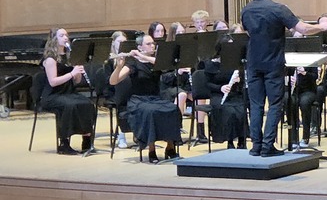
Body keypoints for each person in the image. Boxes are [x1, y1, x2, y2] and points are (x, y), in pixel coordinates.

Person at [240, 0, 327, 157]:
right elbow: (303, 29)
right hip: (273, 63)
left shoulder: (246, 10)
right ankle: (267, 146)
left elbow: (246, 31)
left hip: (253, 63)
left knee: (256, 105)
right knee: (275, 104)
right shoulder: (278, 9)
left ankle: (256, 146)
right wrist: (323, 26)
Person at [109, 34, 183, 163]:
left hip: (155, 98)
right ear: (140, 47)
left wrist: (143, 56)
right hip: (138, 100)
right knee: (150, 112)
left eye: (153, 43)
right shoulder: (133, 63)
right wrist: (119, 66)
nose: (152, 46)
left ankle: (170, 147)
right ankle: (151, 149)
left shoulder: (156, 60)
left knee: (173, 109)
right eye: (149, 44)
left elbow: (166, 66)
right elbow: (113, 81)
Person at [39, 28, 94, 155]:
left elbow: (76, 81)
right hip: (52, 95)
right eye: (61, 35)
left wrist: (78, 72)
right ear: (54, 40)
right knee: (70, 106)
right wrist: (71, 73)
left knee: (87, 103)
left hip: (68, 92)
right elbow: (53, 81)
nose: (65, 38)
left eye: (66, 35)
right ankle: (64, 143)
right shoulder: (50, 59)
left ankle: (86, 140)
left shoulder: (70, 57)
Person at [198, 35, 247, 149]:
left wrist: (239, 80)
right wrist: (220, 88)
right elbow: (207, 84)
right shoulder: (211, 63)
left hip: (233, 93)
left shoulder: (236, 62)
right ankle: (229, 141)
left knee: (241, 108)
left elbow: (242, 81)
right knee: (228, 110)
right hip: (217, 95)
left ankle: (242, 139)